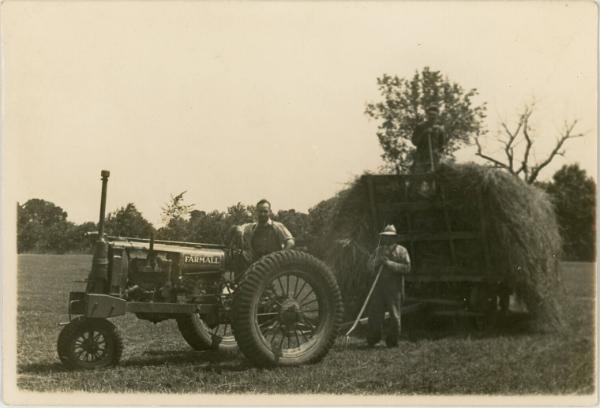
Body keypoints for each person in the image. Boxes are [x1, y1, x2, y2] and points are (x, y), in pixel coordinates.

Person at [366, 225, 411, 348]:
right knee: (375, 314)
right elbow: (369, 267)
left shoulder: (402, 251)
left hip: (394, 289)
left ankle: (392, 341)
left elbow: (407, 268)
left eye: (390, 237)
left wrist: (389, 263)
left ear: (395, 238)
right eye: (385, 237)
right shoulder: (378, 251)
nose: (388, 239)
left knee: (395, 316)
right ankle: (373, 339)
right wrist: (377, 261)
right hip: (378, 288)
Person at [239, 199, 295, 263]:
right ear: (256, 212)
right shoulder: (251, 228)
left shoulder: (277, 226)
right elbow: (238, 229)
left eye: (265, 211)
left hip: (273, 264)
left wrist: (281, 256)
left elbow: (290, 242)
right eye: (260, 211)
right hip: (255, 264)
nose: (263, 214)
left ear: (269, 212)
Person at [411, 104, 446, 174]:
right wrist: (424, 133)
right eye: (430, 114)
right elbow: (414, 142)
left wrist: (438, 152)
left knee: (435, 180)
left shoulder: (440, 129)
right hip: (421, 158)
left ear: (437, 116)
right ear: (427, 115)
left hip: (434, 158)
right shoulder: (420, 127)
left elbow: (441, 145)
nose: (432, 117)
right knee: (418, 179)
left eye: (434, 115)